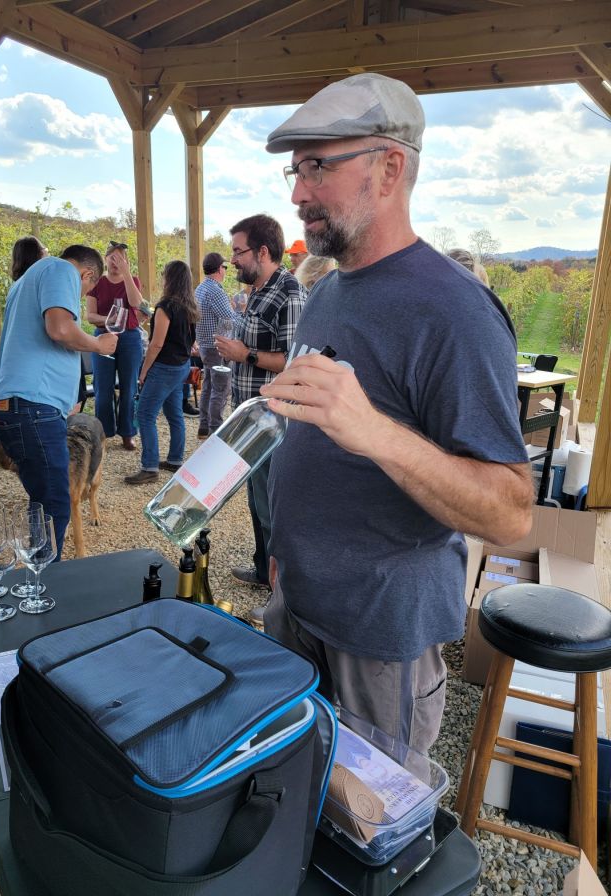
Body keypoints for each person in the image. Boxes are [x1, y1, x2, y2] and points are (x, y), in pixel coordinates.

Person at [260, 73, 534, 755]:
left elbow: (509, 513)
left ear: (388, 168)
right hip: (296, 606)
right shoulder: (328, 293)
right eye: (296, 171)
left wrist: (377, 433)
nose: (297, 193)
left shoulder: (455, 311)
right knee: (290, 793)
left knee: (373, 815)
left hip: (379, 637)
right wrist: (285, 557)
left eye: (317, 167)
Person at [0, 245, 117, 559]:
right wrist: (98, 344)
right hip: (32, 407)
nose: (80, 296)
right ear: (87, 274)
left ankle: (40, 574)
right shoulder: (61, 269)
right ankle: (47, 580)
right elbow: (59, 328)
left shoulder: (25, 281)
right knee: (58, 503)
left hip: (17, 406)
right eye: (88, 288)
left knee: (44, 500)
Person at [214, 214, 307, 589]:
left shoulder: (290, 294)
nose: (232, 259)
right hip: (249, 415)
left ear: (263, 251)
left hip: (272, 419)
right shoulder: (258, 290)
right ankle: (261, 569)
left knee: (272, 507)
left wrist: (245, 354)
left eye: (238, 251)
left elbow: (294, 362)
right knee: (255, 499)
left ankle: (280, 594)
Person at [125, 260, 199, 485]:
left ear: (169, 279)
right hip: (181, 366)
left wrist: (144, 371)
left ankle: (149, 467)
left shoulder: (165, 307)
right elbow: (191, 341)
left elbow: (156, 344)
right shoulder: (190, 307)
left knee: (145, 414)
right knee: (174, 413)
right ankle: (175, 459)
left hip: (164, 367)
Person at [86, 240, 144, 451]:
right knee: (103, 388)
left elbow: (137, 304)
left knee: (129, 387)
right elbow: (90, 316)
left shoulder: (133, 280)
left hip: (130, 337)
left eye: (120, 259)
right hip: (103, 335)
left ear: (126, 261)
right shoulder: (97, 283)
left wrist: (127, 274)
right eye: (112, 258)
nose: (115, 262)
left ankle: (128, 433)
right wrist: (108, 320)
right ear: (105, 259)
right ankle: (103, 433)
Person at [195, 251, 233, 439]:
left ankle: (204, 426)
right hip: (217, 345)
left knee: (208, 386)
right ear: (219, 269)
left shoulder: (200, 288)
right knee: (220, 389)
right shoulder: (216, 291)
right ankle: (216, 430)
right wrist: (241, 310)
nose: (225, 271)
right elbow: (230, 319)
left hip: (204, 344)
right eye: (224, 267)